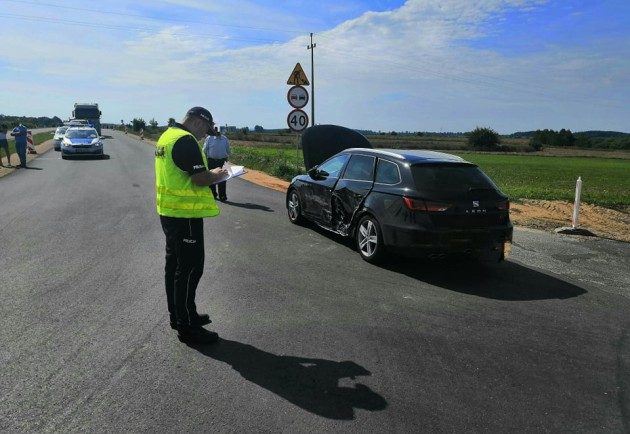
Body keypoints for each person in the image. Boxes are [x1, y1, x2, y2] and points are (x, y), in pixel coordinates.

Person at [155, 106, 228, 345]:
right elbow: (199, 178)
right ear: (198, 122)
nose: (206, 134)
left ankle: (180, 316)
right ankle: (187, 327)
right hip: (185, 216)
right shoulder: (186, 140)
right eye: (206, 129)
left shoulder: (167, 136)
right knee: (190, 269)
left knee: (174, 267)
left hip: (169, 212)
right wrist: (218, 174)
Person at [202, 126, 231, 201]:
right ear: (214, 131)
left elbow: (228, 151)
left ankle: (222, 196)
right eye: (216, 131)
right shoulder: (209, 138)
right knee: (211, 178)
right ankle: (213, 194)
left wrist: (227, 162)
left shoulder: (225, 139)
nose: (217, 132)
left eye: (218, 131)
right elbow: (204, 150)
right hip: (211, 161)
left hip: (222, 162)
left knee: (223, 179)